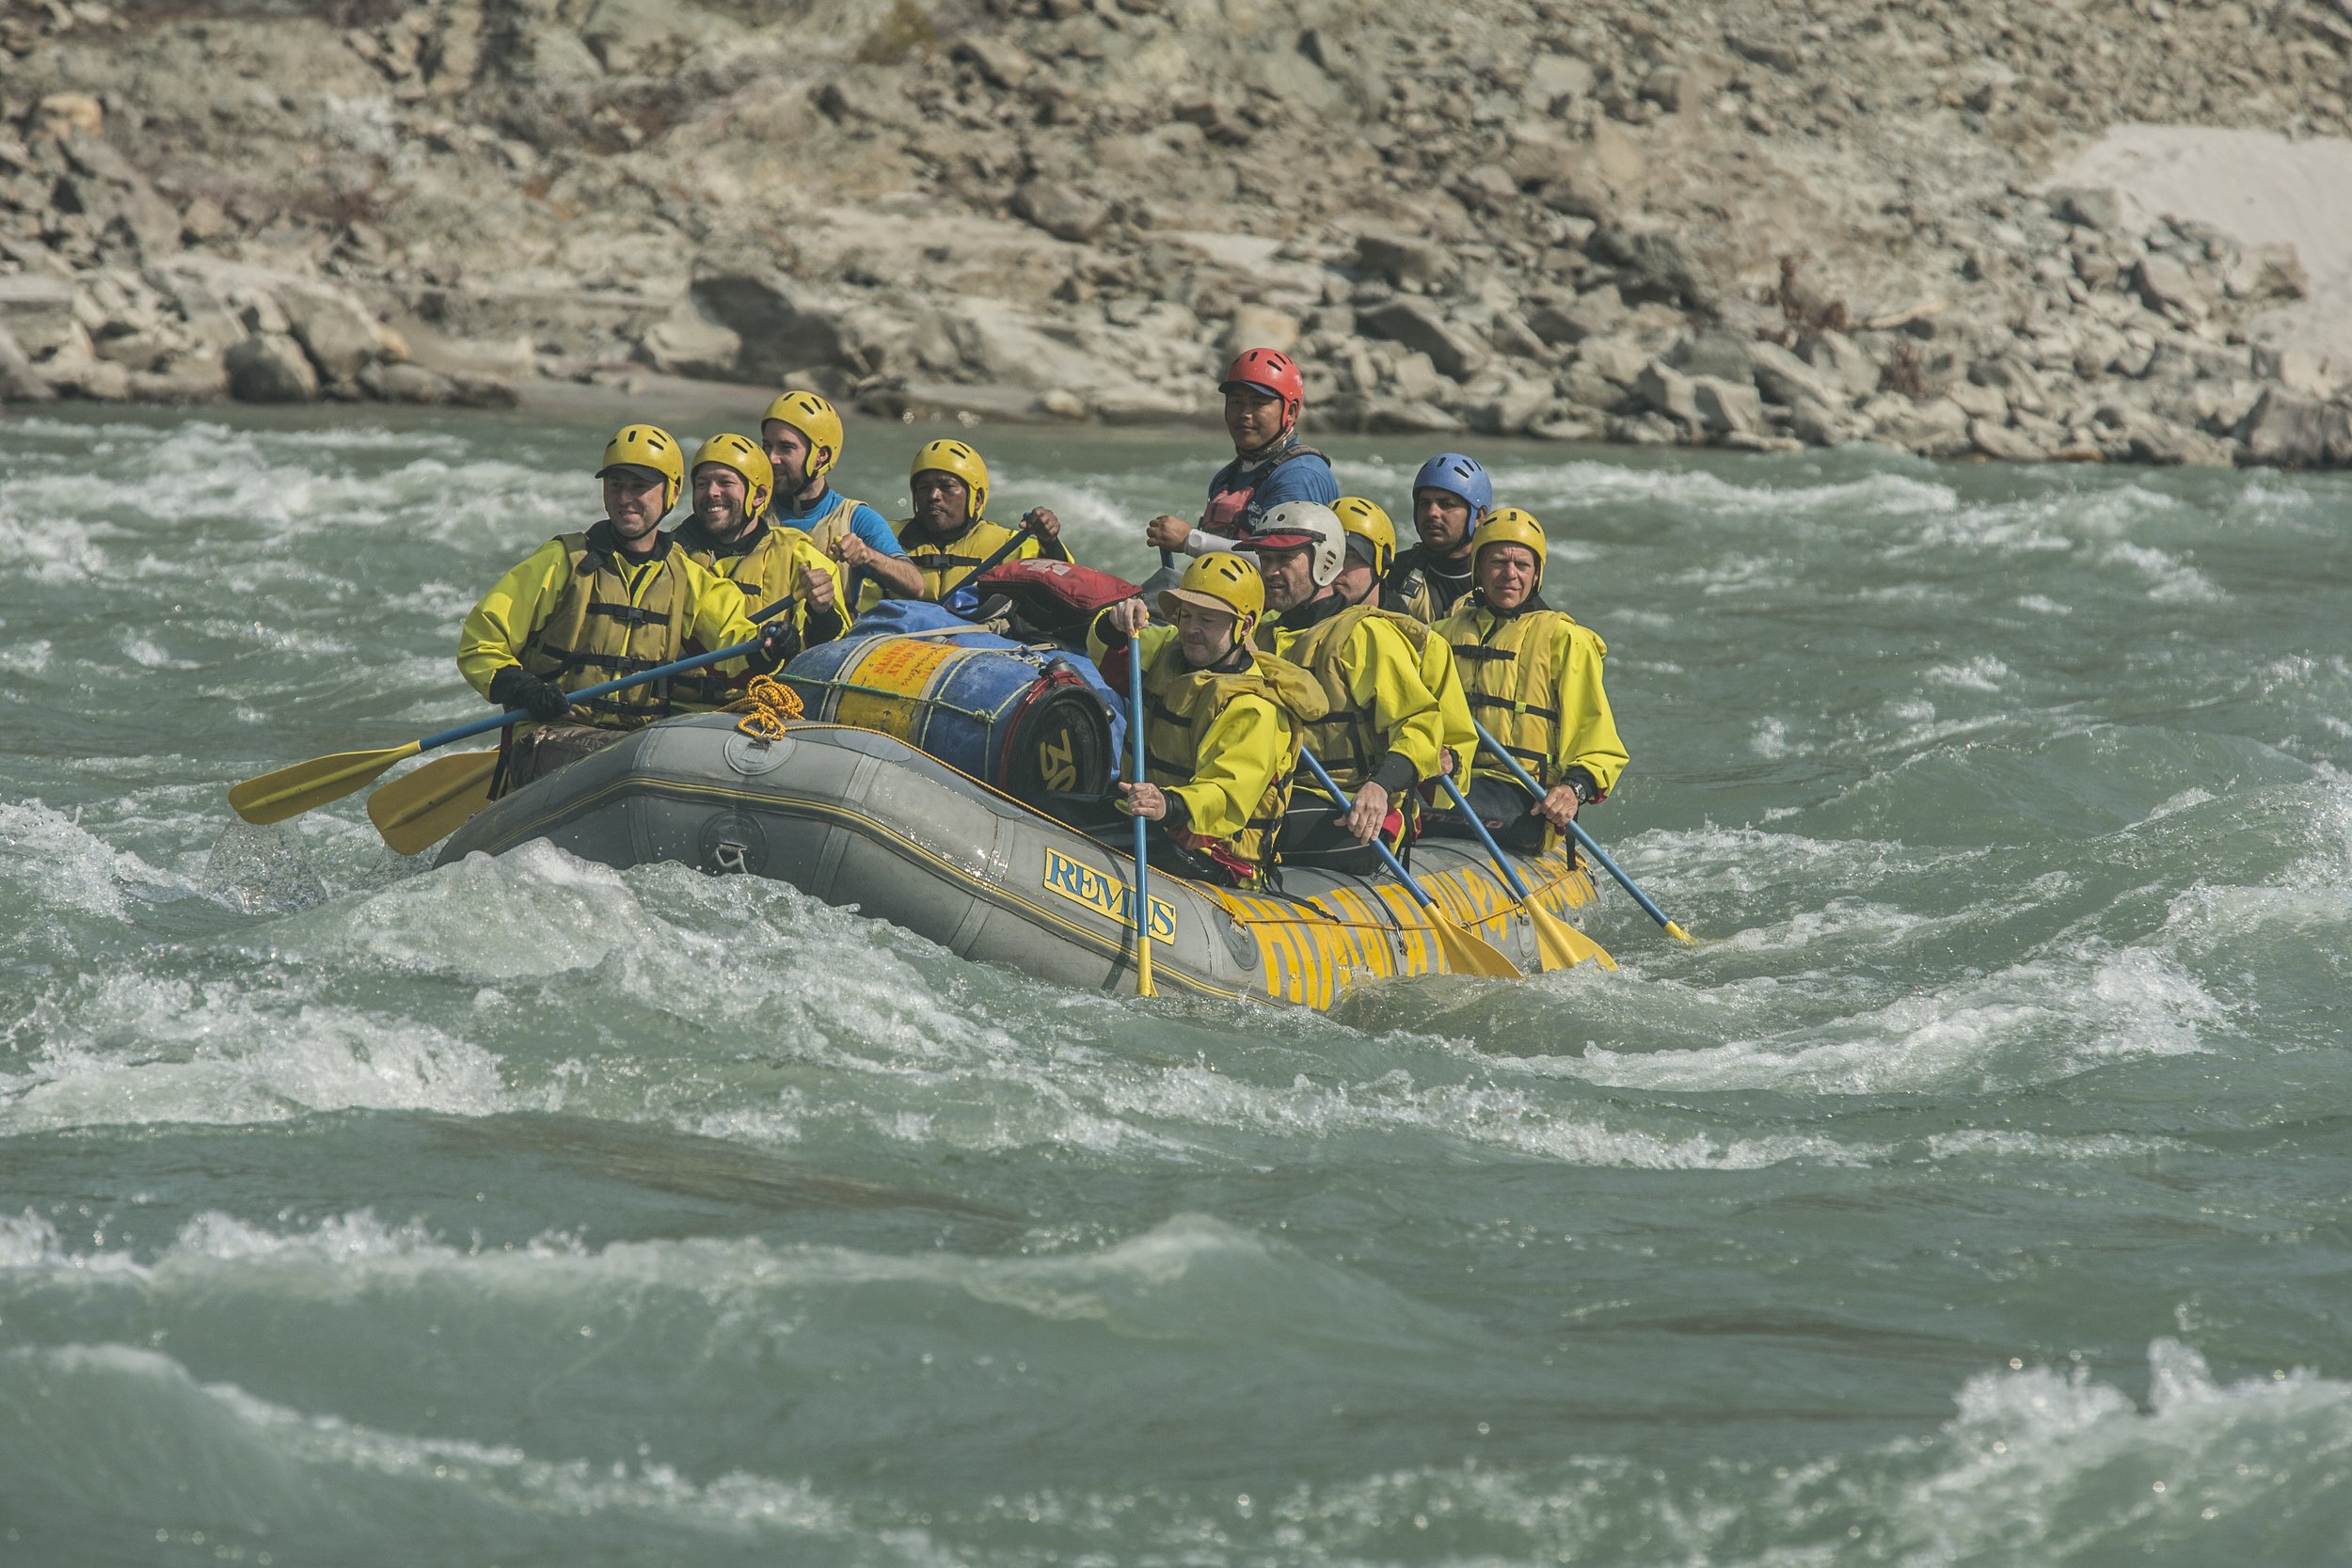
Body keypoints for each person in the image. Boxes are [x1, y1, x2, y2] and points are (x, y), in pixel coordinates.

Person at [456, 424, 796, 790]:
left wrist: (769, 644)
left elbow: (735, 639)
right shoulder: (563, 561)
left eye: (639, 487)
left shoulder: (685, 576)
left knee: (657, 758)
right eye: (616, 485)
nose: (624, 498)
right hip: (550, 738)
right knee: (642, 759)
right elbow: (480, 642)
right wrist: (522, 686)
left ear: (672, 493)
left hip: (634, 744)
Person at [1238, 501, 1468, 871]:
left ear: (1324, 563)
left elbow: (1421, 726)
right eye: (1265, 560)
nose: (1271, 572)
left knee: (1239, 826)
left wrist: (1380, 786)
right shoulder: (1259, 636)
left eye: (1284, 559)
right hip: (1279, 794)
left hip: (1350, 809)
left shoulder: (1366, 634)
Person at [1088, 553, 1327, 889]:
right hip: (1143, 817)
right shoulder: (1170, 651)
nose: (1191, 629)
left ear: (1244, 626)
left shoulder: (1255, 707)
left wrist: (1167, 804)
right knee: (1047, 807)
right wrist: (1115, 624)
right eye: (1186, 615)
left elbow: (1225, 793)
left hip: (1212, 853)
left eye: (1207, 619)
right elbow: (1105, 649)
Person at [1427, 508, 1629, 856]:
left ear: (1536, 575)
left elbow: (1597, 742)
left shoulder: (1564, 640)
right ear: (1478, 568)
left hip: (1524, 800)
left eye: (1522, 564)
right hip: (1449, 782)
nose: (1510, 574)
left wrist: (1572, 790)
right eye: (1498, 562)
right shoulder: (1439, 636)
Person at [666, 433, 847, 710]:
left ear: (759, 495)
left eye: (725, 482)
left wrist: (821, 613)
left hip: (769, 708)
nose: (711, 492)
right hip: (682, 710)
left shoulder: (797, 555)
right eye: (702, 484)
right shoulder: (670, 555)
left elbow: (830, 651)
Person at [1143, 348, 1339, 559]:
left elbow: (1286, 563)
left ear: (1290, 411)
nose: (1244, 414)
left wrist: (1191, 541)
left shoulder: (1300, 476)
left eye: (1258, 403)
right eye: (1236, 402)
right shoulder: (1227, 477)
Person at [758, 388, 926, 602]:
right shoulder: (753, 510)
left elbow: (915, 585)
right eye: (767, 446)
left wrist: (867, 555)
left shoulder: (856, 519)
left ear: (820, 456)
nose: (771, 458)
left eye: (786, 448)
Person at [891, 437, 1069, 607]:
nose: (933, 496)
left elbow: (1064, 586)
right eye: (924, 487)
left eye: (947, 487)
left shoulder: (1009, 545)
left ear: (977, 499)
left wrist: (1049, 541)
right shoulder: (886, 538)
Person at [1382, 452, 1492, 623]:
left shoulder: (1500, 583)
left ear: (1478, 516)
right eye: (1424, 503)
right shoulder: (1390, 574)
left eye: (1446, 504)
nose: (1432, 512)